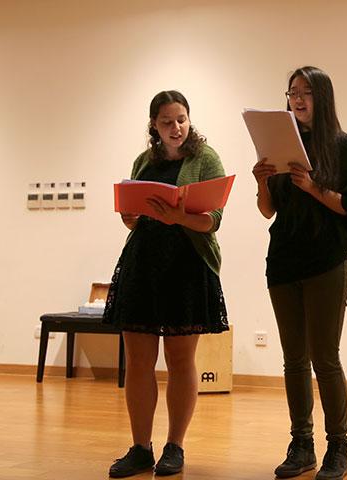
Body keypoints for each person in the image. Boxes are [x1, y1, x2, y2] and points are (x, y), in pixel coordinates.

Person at [102, 90, 229, 478]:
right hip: (143, 262)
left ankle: (175, 446)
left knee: (179, 359)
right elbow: (135, 218)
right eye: (167, 122)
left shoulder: (205, 158)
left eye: (181, 119)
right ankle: (141, 447)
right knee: (138, 361)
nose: (176, 128)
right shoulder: (144, 161)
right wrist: (129, 216)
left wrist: (179, 218)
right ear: (154, 127)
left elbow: (213, 220)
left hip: (187, 264)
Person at [251, 66, 347, 480]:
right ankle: (302, 444)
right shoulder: (280, 143)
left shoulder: (341, 145)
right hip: (283, 260)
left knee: (325, 357)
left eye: (307, 92)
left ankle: (339, 446)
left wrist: (312, 186)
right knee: (293, 359)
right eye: (293, 92)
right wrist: (263, 181)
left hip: (326, 261)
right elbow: (269, 210)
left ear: (323, 97)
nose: (298, 99)